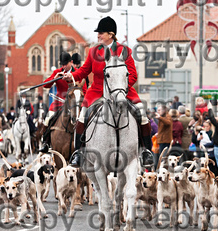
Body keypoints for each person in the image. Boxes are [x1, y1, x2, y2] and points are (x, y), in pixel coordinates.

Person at [62, 16, 153, 168]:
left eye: (101, 32)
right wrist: (71, 75)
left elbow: (133, 74)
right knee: (82, 116)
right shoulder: (93, 52)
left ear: (111, 34)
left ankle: (146, 152)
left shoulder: (124, 51)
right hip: (97, 91)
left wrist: (120, 88)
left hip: (122, 91)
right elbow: (84, 71)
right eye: (98, 33)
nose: (98, 35)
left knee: (142, 115)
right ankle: (79, 152)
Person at [39, 52, 76, 152]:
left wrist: (72, 79)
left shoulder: (77, 72)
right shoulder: (57, 72)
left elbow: (83, 88)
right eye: (62, 65)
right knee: (48, 118)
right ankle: (46, 142)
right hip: (59, 102)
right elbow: (45, 85)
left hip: (73, 103)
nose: (64, 66)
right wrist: (54, 78)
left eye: (66, 64)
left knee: (82, 119)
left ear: (71, 62)